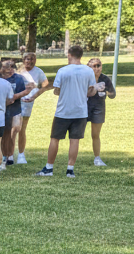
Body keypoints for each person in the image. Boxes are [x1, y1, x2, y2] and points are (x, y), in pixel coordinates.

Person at [37, 45, 95, 178]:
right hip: (81, 111)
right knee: (75, 140)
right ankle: (70, 169)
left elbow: (56, 90)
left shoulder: (63, 71)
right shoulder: (88, 71)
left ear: (69, 55)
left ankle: (49, 167)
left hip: (63, 111)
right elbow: (91, 91)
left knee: (55, 138)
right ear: (81, 55)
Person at [16, 52, 50, 163]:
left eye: (31, 59)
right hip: (14, 101)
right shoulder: (18, 71)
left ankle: (21, 154)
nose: (29, 61)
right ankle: (8, 154)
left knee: (21, 128)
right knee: (11, 128)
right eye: (26, 59)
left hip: (27, 102)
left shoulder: (38, 72)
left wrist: (35, 95)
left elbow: (45, 85)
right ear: (23, 60)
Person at [86, 57, 115, 166]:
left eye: (99, 65)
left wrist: (107, 92)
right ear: (89, 67)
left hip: (99, 108)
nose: (97, 68)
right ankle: (71, 158)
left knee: (95, 134)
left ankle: (97, 158)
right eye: (94, 66)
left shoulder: (105, 79)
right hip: (84, 107)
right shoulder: (85, 78)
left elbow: (113, 95)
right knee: (77, 134)